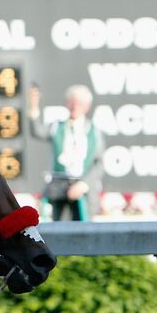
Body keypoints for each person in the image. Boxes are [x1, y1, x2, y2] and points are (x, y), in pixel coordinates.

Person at [28, 83, 104, 221]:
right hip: (59, 187)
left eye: (79, 103)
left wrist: (83, 185)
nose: (75, 106)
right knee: (60, 227)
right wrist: (33, 106)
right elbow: (36, 131)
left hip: (84, 189)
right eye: (72, 102)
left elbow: (99, 164)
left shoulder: (94, 131)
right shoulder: (57, 126)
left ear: (87, 106)